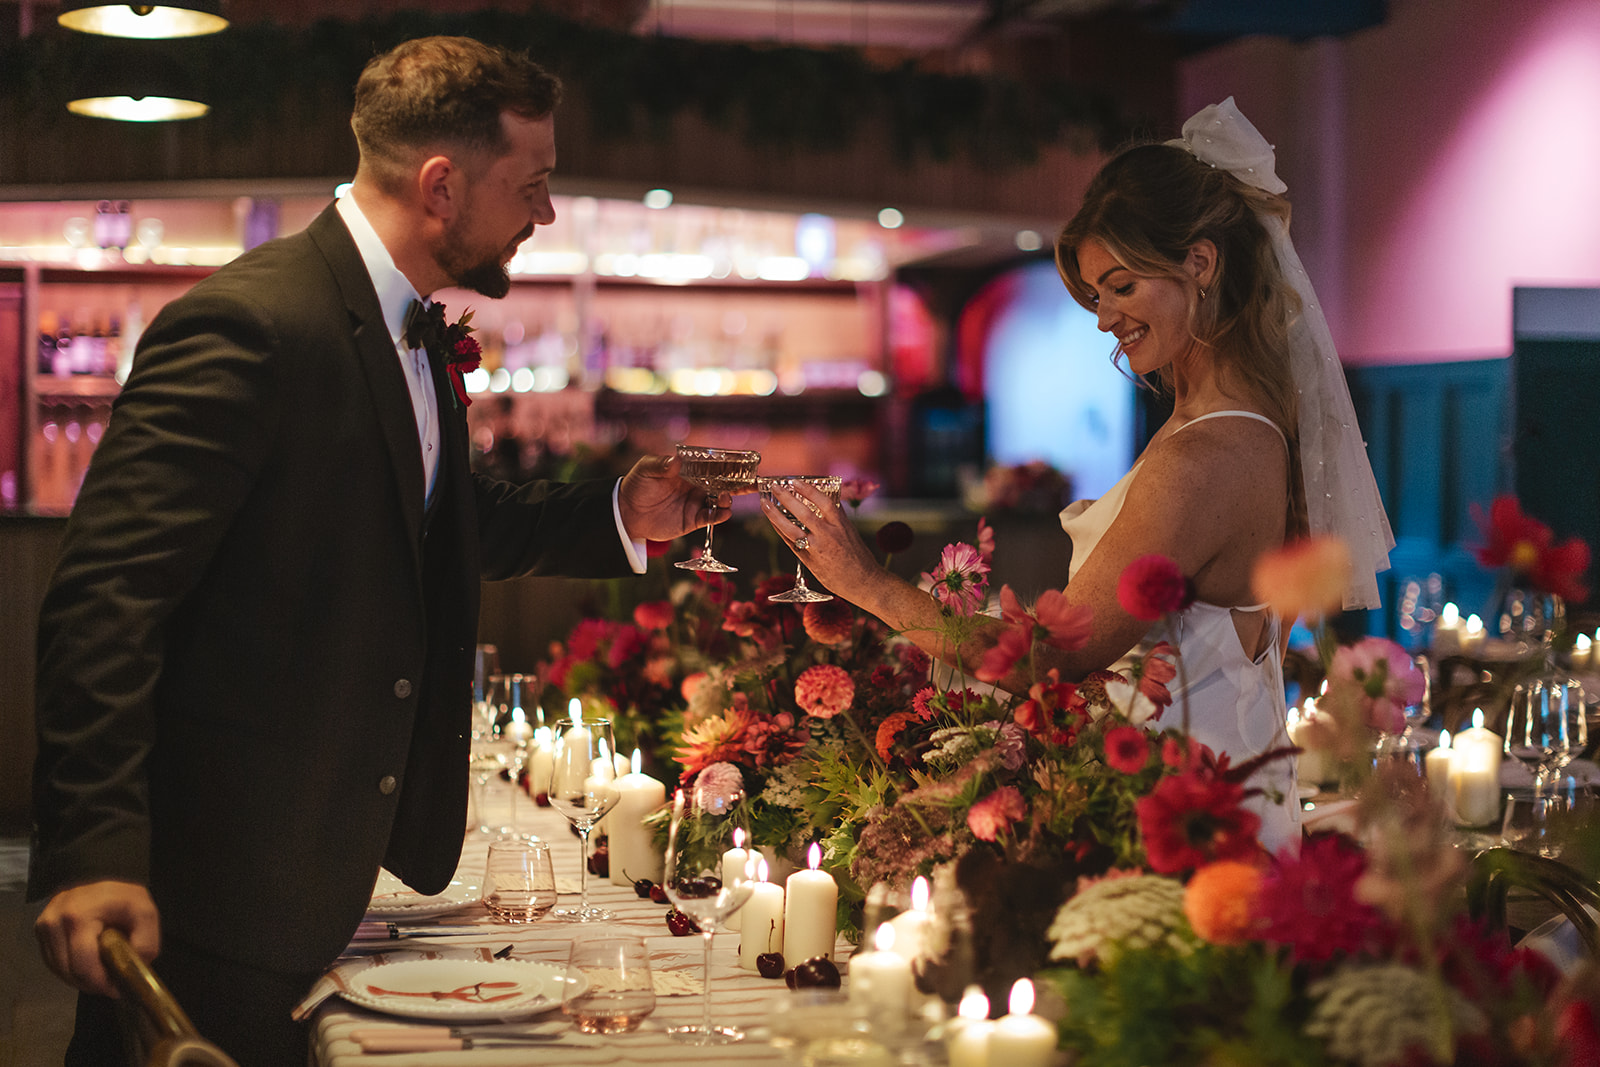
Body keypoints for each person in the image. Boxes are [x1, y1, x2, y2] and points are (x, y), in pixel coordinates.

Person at [29, 36, 721, 1066]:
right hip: (218, 886)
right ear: (441, 186)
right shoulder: (252, 323)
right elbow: (105, 599)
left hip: (320, 868)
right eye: (531, 183)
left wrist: (621, 510)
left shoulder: (408, 325)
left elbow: (438, 516)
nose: (545, 214)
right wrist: (92, 849)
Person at [763, 98, 1393, 856]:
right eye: (1097, 294)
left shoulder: (1208, 455)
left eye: (1122, 286)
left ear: (1200, 263)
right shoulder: (1243, 425)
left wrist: (865, 584)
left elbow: (1049, 657)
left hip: (1189, 825)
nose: (1104, 317)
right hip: (1215, 797)